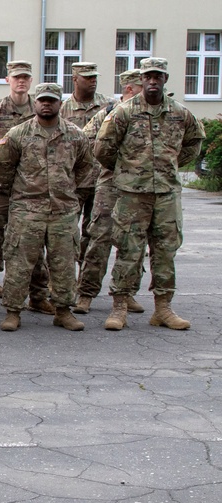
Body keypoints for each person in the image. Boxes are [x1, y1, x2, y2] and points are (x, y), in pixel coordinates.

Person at [95, 57, 205, 331]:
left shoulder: (180, 113)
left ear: (165, 79)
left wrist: (174, 163)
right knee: (128, 251)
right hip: (132, 195)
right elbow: (102, 148)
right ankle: (120, 306)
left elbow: (194, 141)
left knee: (165, 251)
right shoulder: (124, 112)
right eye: (149, 77)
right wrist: (126, 171)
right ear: (141, 80)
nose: (153, 81)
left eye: (158, 77)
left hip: (167, 193)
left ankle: (163, 308)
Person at [0, 84, 93, 331]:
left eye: (52, 101)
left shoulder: (76, 135)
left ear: (60, 104)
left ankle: (63, 311)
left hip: (63, 211)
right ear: (35, 103)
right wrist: (22, 193)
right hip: (27, 210)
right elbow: (3, 167)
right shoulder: (18, 134)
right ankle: (13, 312)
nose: (47, 104)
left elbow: (85, 168)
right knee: (18, 262)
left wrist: (69, 194)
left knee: (64, 262)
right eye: (43, 100)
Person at [0, 61, 53, 317]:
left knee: (34, 244)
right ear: (8, 79)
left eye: (25, 77)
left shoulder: (39, 109)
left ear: (30, 81)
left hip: (31, 190)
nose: (21, 81)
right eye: (16, 77)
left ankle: (38, 295)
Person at [74, 69, 145, 314]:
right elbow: (85, 140)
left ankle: (126, 293)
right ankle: (86, 292)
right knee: (99, 237)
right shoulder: (109, 112)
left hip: (139, 187)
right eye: (141, 87)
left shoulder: (149, 114)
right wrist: (111, 163)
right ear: (130, 89)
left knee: (133, 241)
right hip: (110, 184)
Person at [61, 62, 115, 266]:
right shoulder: (62, 109)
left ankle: (86, 279)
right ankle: (62, 278)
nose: (93, 81)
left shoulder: (110, 107)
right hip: (73, 181)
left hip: (103, 180)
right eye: (88, 77)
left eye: (95, 77)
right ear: (75, 79)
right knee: (67, 232)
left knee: (97, 233)